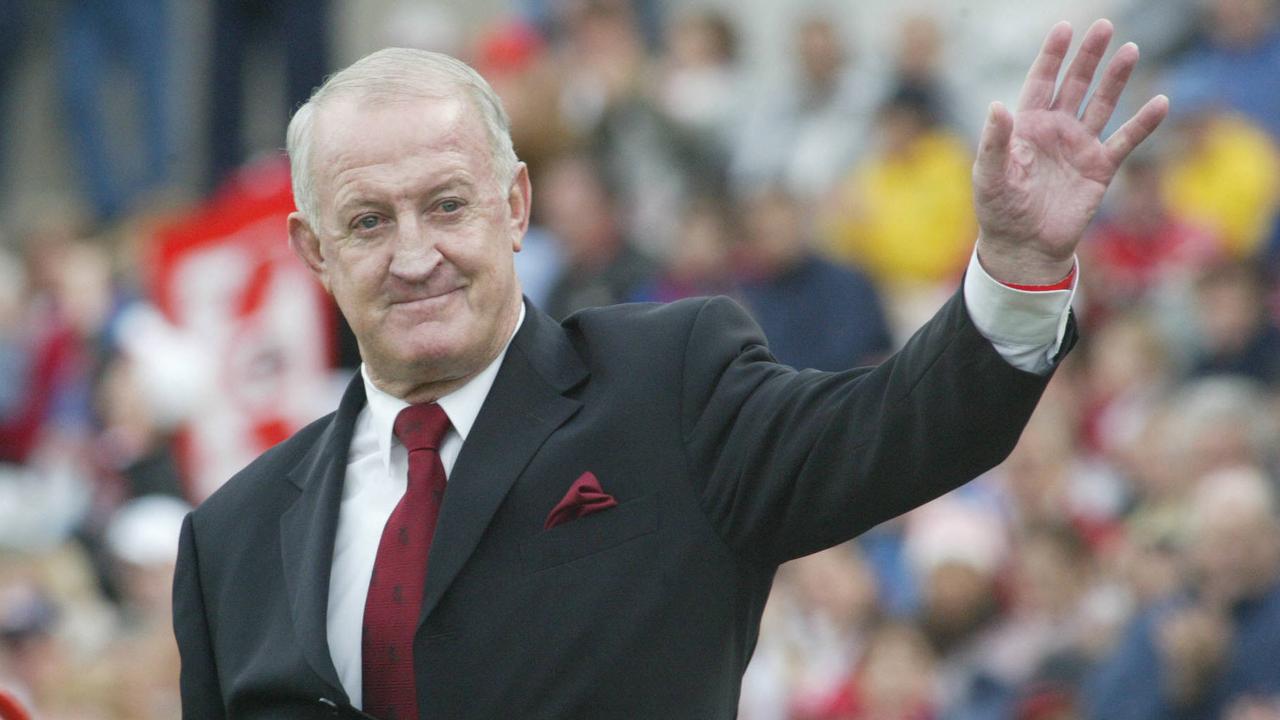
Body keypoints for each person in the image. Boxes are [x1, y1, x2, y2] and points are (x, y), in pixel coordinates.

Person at [173, 20, 1168, 719]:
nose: (414, 253)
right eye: (366, 221)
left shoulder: (665, 388)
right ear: (310, 253)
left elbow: (900, 429)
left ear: (515, 208)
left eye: (446, 205)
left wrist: (1019, 270)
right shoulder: (231, 540)